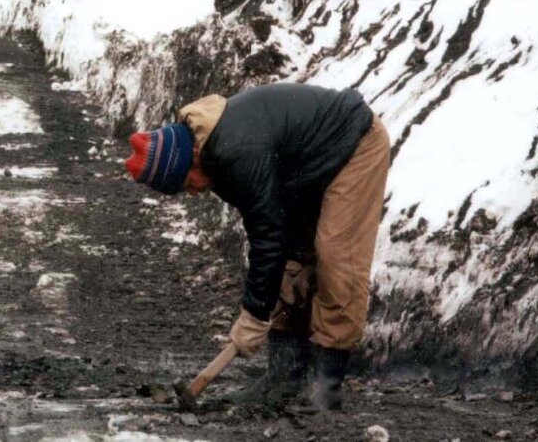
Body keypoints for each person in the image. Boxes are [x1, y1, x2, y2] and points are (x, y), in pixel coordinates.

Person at [123, 82, 389, 411]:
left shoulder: (234, 150)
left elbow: (268, 238)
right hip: (305, 168)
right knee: (293, 263)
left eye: (186, 183)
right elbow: (271, 234)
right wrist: (262, 304)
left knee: (337, 258)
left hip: (354, 144)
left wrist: (254, 315)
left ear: (190, 159)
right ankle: (283, 378)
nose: (192, 192)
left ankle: (326, 389)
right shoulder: (213, 156)